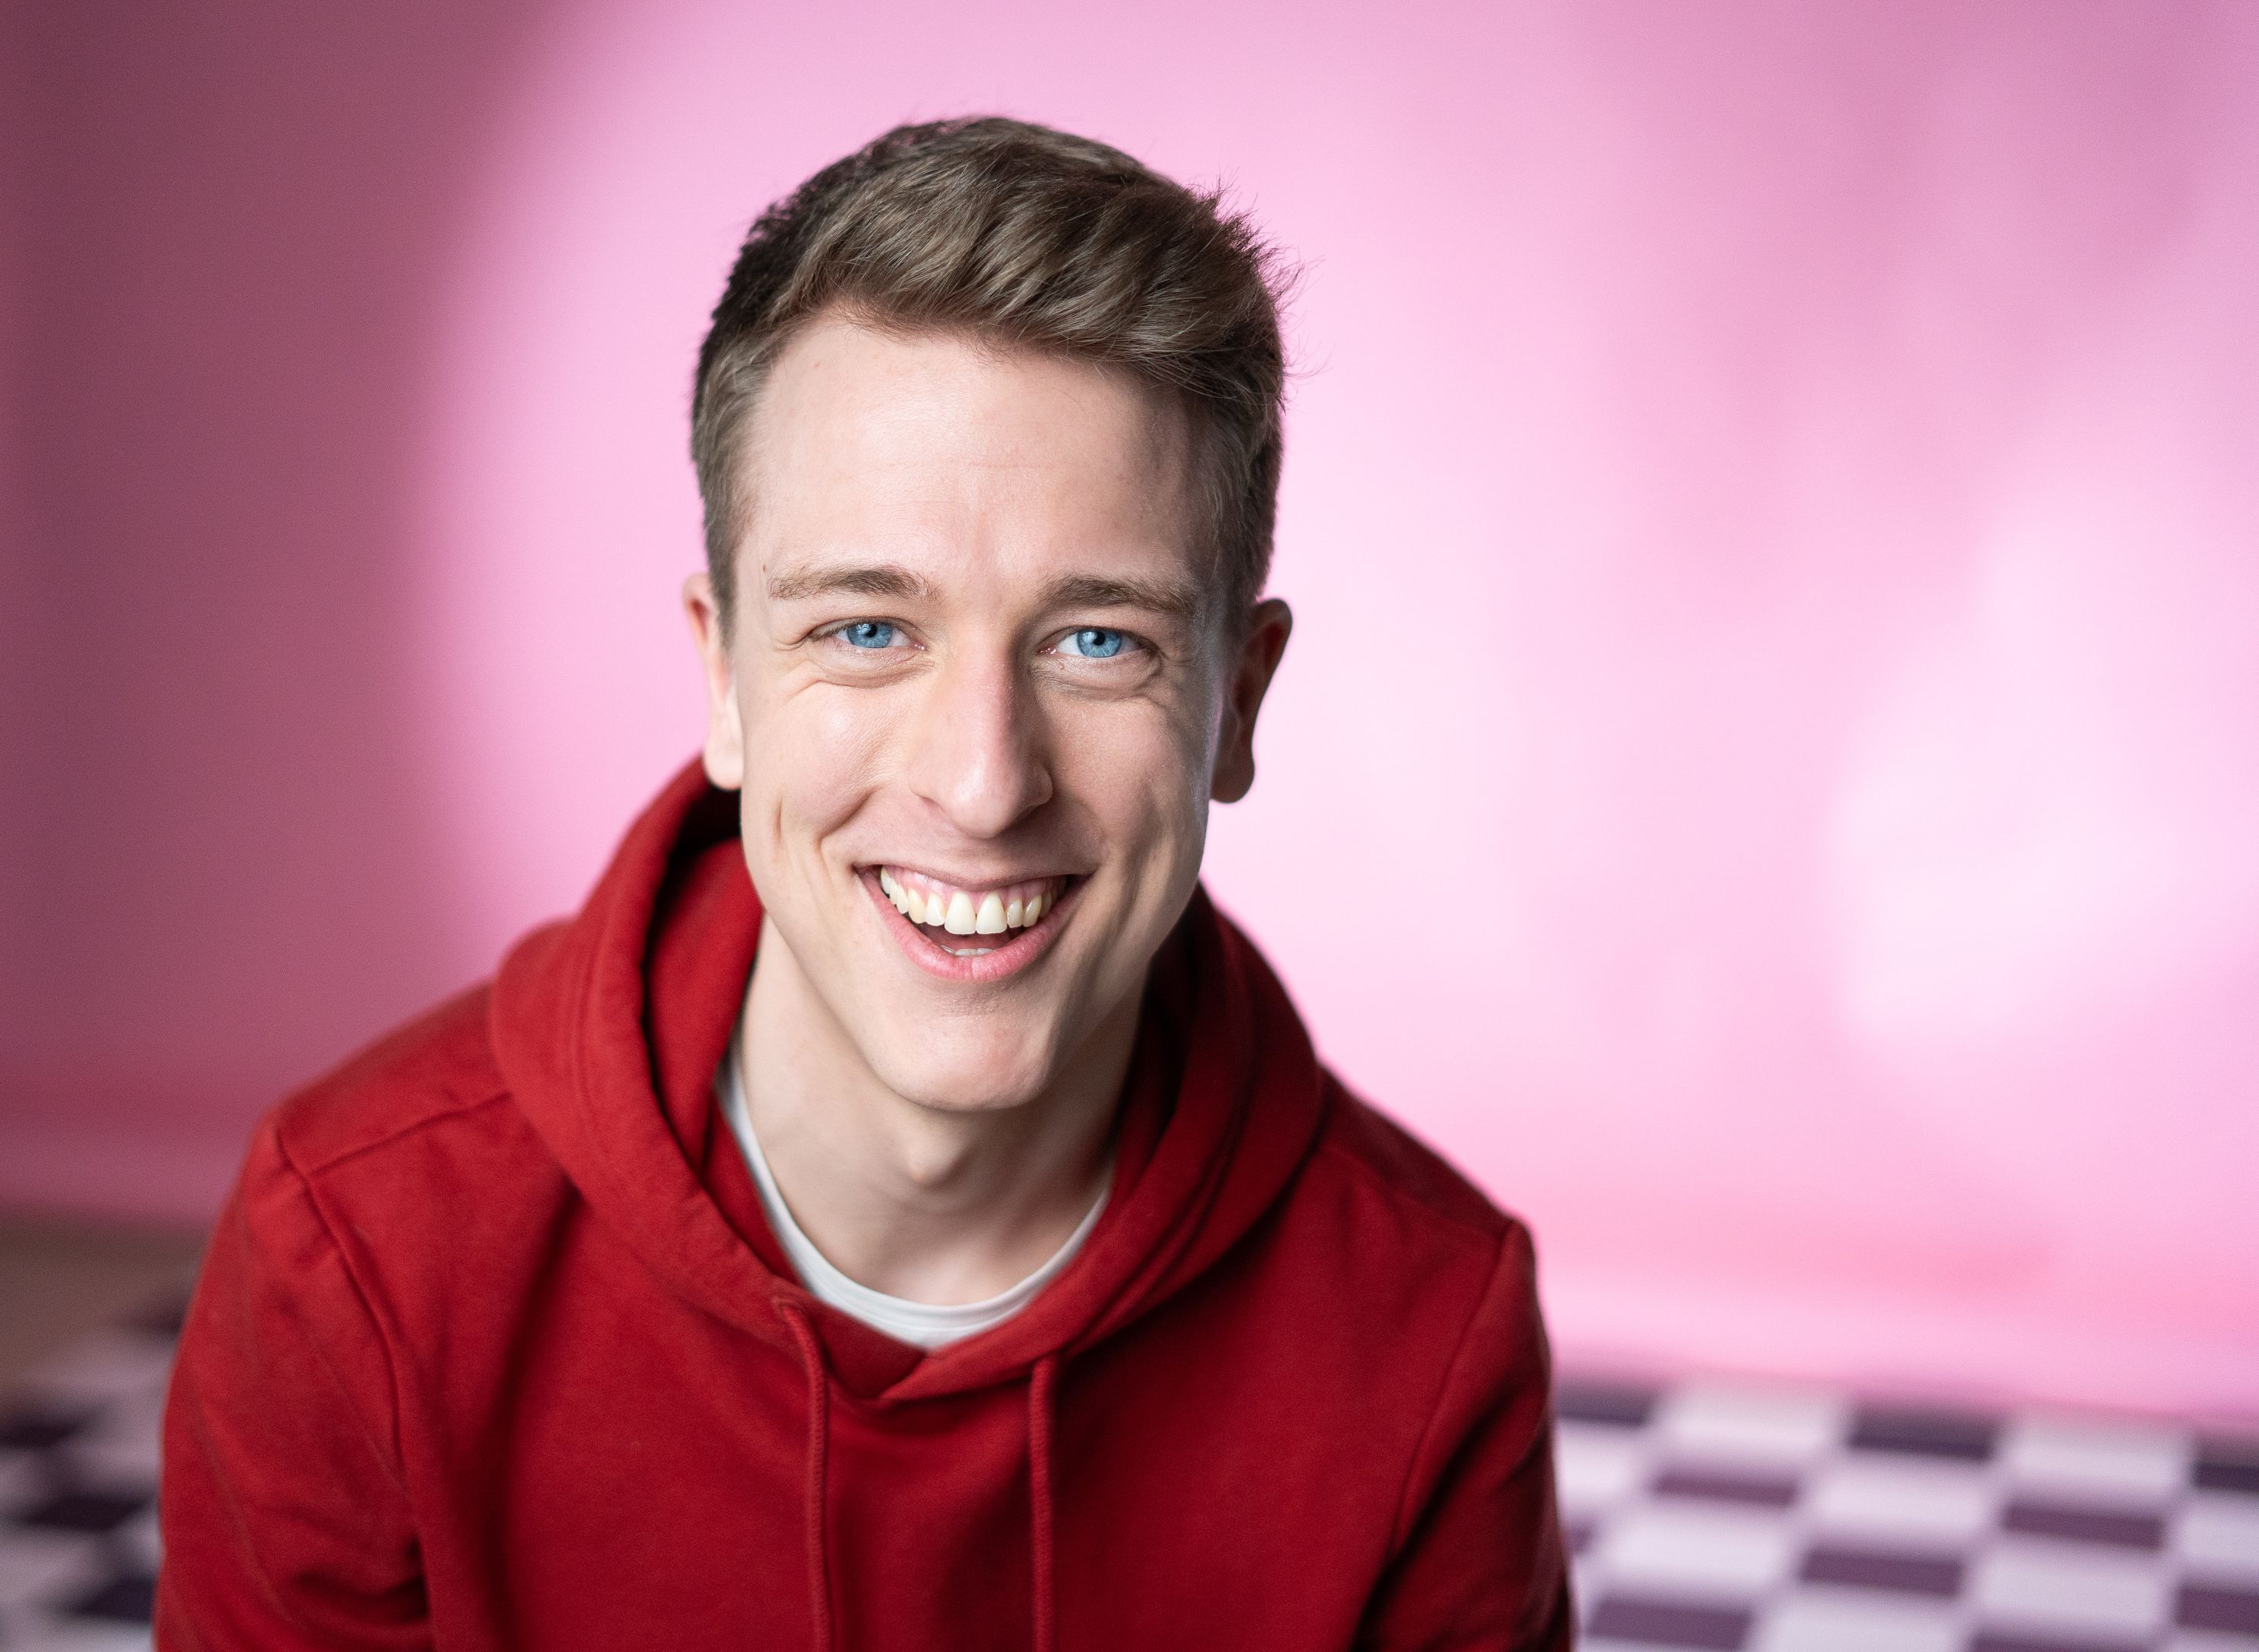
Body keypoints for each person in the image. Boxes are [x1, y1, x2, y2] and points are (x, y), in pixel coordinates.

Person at [157, 117, 1571, 1650]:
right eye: (867, 630)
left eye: (1099, 640)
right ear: (724, 677)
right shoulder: (354, 1250)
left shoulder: (1430, 1328)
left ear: (1236, 701)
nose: (982, 782)